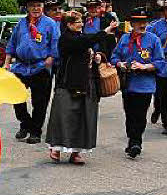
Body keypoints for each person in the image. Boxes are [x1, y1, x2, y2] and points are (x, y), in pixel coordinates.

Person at [45, 10, 117, 165]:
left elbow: (89, 45)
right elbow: (82, 43)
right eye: (78, 22)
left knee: (84, 116)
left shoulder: (82, 37)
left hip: (87, 81)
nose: (82, 24)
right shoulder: (65, 39)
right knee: (63, 116)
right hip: (68, 83)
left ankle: (76, 152)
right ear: (69, 24)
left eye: (81, 21)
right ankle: (56, 148)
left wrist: (97, 56)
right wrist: (104, 32)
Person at [111, 7, 166, 158]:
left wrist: (144, 66)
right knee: (129, 114)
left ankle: (137, 142)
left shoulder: (153, 39)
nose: (142, 25)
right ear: (132, 23)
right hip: (127, 84)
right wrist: (120, 64)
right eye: (139, 22)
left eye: (144, 22)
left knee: (140, 115)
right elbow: (114, 57)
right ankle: (131, 139)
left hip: (145, 85)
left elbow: (160, 62)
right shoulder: (124, 38)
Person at [4, 0, 59, 144]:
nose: (36, 8)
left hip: (40, 66)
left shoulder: (50, 24)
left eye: (39, 6)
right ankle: (25, 123)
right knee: (15, 96)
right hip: (20, 66)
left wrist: (50, 60)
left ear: (43, 8)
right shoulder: (21, 24)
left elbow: (56, 44)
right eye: (32, 6)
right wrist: (7, 62)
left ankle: (35, 131)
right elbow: (12, 44)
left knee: (39, 102)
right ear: (27, 8)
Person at [147, 0, 167, 131]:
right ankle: (160, 111)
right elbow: (148, 43)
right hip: (162, 64)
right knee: (162, 94)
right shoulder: (155, 26)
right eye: (166, 9)